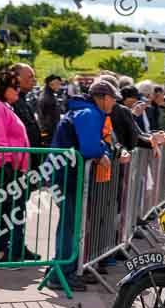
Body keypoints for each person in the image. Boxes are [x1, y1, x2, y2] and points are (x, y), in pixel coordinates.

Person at [45, 80, 124, 292]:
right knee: (70, 225)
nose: (114, 102)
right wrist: (101, 153)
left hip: (69, 175)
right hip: (66, 176)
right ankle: (61, 272)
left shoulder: (89, 112)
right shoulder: (89, 114)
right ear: (103, 98)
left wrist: (103, 152)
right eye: (113, 98)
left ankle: (68, 269)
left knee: (72, 225)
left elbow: (96, 145)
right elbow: (90, 147)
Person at [0, 69, 41, 264]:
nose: (18, 91)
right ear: (4, 89)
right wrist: (9, 164)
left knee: (5, 210)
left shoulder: (5, 106)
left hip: (12, 168)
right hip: (5, 168)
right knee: (2, 211)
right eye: (14, 87)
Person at [10, 63, 42, 168]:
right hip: (17, 164)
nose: (34, 80)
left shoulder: (23, 99)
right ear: (17, 78)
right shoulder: (10, 101)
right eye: (30, 76)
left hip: (30, 160)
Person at [37, 74, 63, 146]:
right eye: (57, 83)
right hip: (49, 133)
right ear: (51, 84)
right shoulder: (48, 98)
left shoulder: (48, 95)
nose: (59, 86)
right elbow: (48, 119)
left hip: (47, 132)